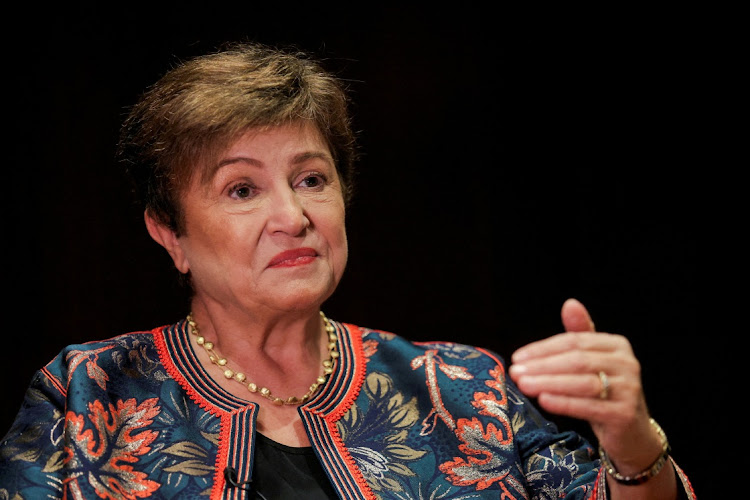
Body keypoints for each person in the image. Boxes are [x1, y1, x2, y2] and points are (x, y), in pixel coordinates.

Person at [0, 42, 695, 499]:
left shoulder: (462, 388)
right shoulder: (87, 395)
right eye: (242, 190)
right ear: (170, 233)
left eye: (311, 179)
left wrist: (632, 438)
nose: (292, 216)